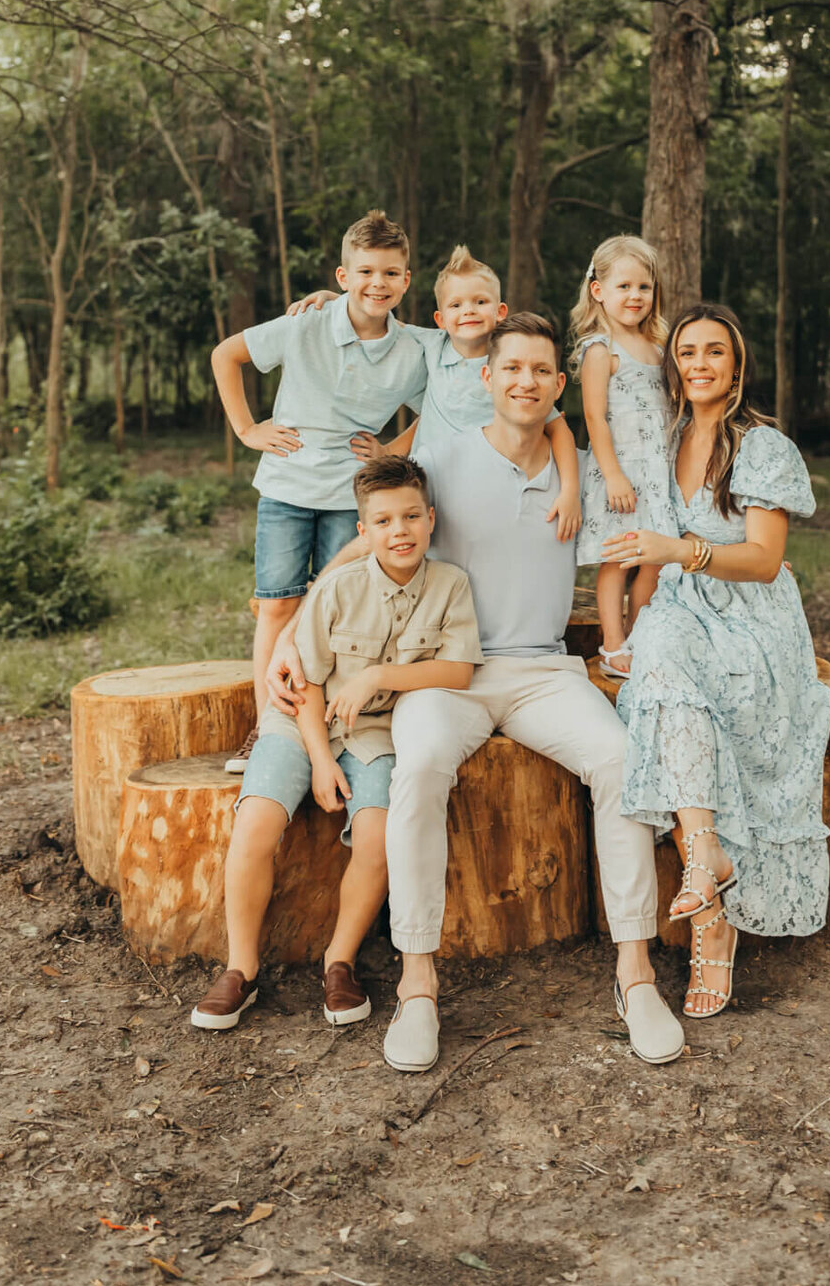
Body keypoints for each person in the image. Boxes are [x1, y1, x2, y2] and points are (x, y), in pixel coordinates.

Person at [268, 313, 685, 1072]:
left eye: (541, 372)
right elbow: (374, 536)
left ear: (559, 387)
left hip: (544, 670)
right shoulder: (443, 459)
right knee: (418, 765)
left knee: (620, 760)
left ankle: (636, 972)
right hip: (443, 670)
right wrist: (296, 629)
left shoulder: (586, 470)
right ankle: (418, 984)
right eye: (511, 368)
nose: (525, 381)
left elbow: (641, 553)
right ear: (487, 379)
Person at [190, 456, 484, 1032]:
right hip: (301, 723)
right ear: (363, 531)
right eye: (382, 521)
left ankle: (339, 960)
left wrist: (379, 678)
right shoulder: (337, 589)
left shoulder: (451, 586)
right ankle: (240, 967)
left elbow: (458, 672)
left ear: (430, 519)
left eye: (409, 517)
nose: (398, 531)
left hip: (375, 730)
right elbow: (306, 686)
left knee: (377, 834)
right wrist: (321, 761)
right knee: (255, 822)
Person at [602, 303, 830, 1021]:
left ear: (736, 366)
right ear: (674, 365)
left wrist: (682, 553)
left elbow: (765, 562)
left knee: (691, 697)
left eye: (714, 353)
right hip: (680, 608)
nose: (699, 364)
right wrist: (628, 624)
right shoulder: (667, 437)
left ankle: (712, 911)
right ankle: (708, 875)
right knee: (662, 679)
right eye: (688, 352)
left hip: (752, 620)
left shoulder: (762, 447)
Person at [211, 209, 427, 771]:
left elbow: (446, 400)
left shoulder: (418, 348)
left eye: (389, 273)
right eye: (365, 272)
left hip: (350, 494)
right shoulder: (306, 324)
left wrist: (394, 449)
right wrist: (247, 429)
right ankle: (268, 728)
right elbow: (225, 355)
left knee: (340, 605)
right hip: (286, 484)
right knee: (279, 604)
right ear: (342, 275)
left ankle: (332, 725)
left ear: (406, 280)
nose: (376, 283)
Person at [294, 244, 582, 539]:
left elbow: (559, 429)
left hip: (485, 490)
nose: (468, 310)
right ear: (440, 319)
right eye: (456, 305)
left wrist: (570, 491)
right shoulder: (431, 345)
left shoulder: (510, 368)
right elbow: (375, 318)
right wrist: (338, 301)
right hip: (425, 488)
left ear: (500, 312)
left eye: (480, 302)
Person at [571, 236, 675, 677]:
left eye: (644, 288)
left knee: (655, 560)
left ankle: (640, 636)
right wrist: (613, 475)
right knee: (618, 561)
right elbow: (594, 418)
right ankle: (613, 646)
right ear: (599, 291)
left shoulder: (660, 344)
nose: (635, 296)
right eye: (624, 287)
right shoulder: (601, 348)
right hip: (622, 473)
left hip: (659, 472)